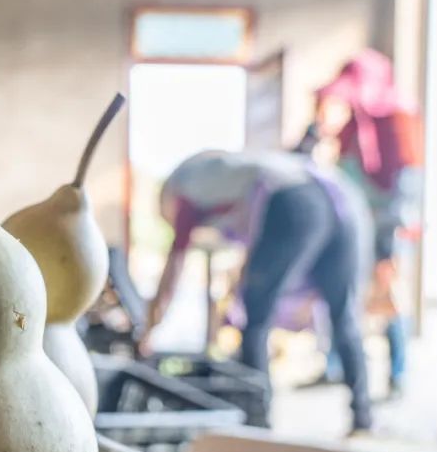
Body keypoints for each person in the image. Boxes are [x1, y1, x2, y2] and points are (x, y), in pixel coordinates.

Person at [137, 149, 373, 434]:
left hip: (297, 202)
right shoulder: (233, 174)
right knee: (343, 315)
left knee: (256, 320)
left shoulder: (183, 193)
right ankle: (363, 419)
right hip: (338, 203)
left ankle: (258, 421)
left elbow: (174, 265)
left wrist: (149, 328)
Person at [315, 49, 423, 397]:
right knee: (342, 294)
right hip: (355, 224)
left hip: (388, 226)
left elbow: (410, 178)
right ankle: (335, 366)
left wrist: (390, 228)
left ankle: (398, 373)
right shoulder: (352, 126)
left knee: (389, 299)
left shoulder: (399, 117)